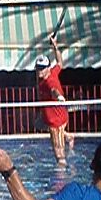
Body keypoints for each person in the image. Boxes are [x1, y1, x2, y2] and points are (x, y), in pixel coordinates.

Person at [35, 35, 73, 165]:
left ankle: (62, 176)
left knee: (58, 152)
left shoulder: (49, 81)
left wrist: (59, 97)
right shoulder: (52, 72)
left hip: (56, 121)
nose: (39, 70)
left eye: (41, 68)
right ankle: (68, 136)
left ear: (47, 68)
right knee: (38, 124)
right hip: (51, 116)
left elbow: (54, 91)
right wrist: (55, 46)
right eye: (37, 68)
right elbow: (60, 63)